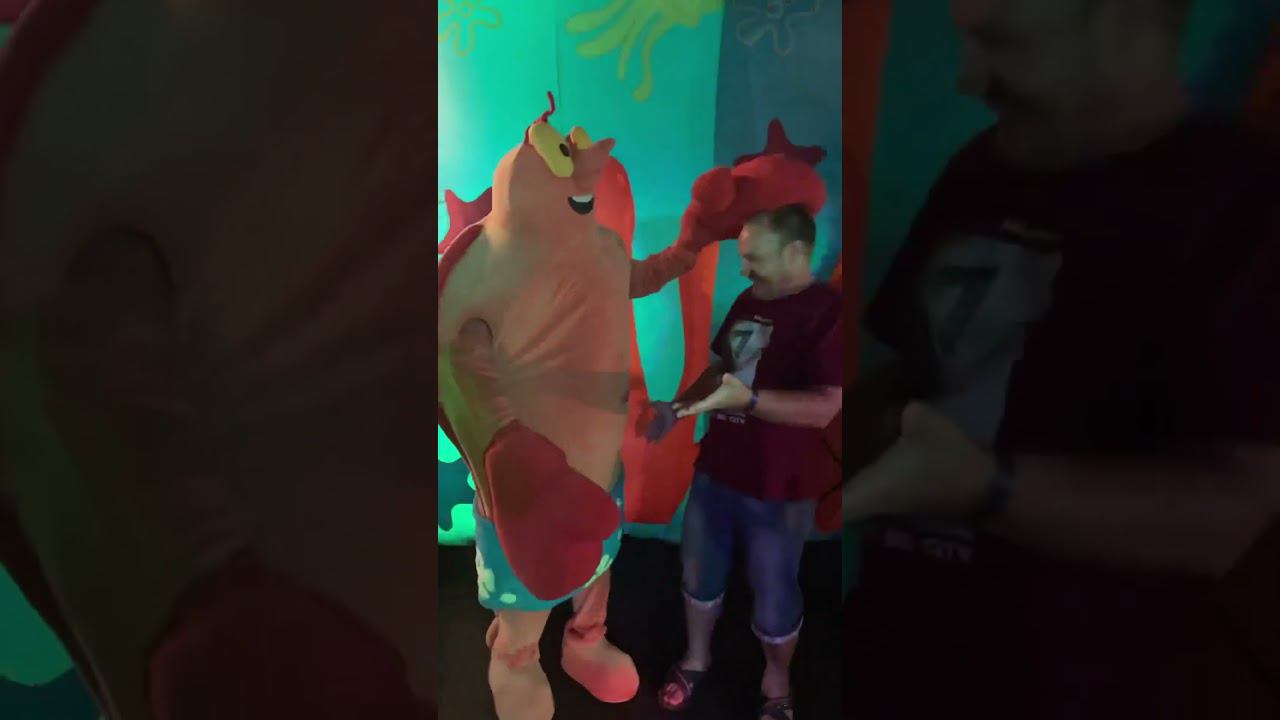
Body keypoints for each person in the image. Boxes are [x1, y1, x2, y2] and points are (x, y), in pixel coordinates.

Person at [841, 0, 1280, 718]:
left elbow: (1229, 513)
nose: (968, 79)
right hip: (897, 652)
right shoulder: (979, 168)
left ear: (1123, 22)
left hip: (1083, 682)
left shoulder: (1247, 203)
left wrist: (982, 487)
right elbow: (913, 372)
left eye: (1004, 44)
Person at [648, 203, 842, 720]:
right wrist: (678, 409)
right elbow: (720, 372)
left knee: (775, 592)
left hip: (781, 488)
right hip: (717, 471)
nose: (743, 268)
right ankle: (696, 659)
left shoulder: (828, 311)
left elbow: (826, 406)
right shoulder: (747, 301)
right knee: (698, 571)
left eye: (755, 258)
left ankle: (776, 683)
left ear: (795, 252)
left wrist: (751, 402)